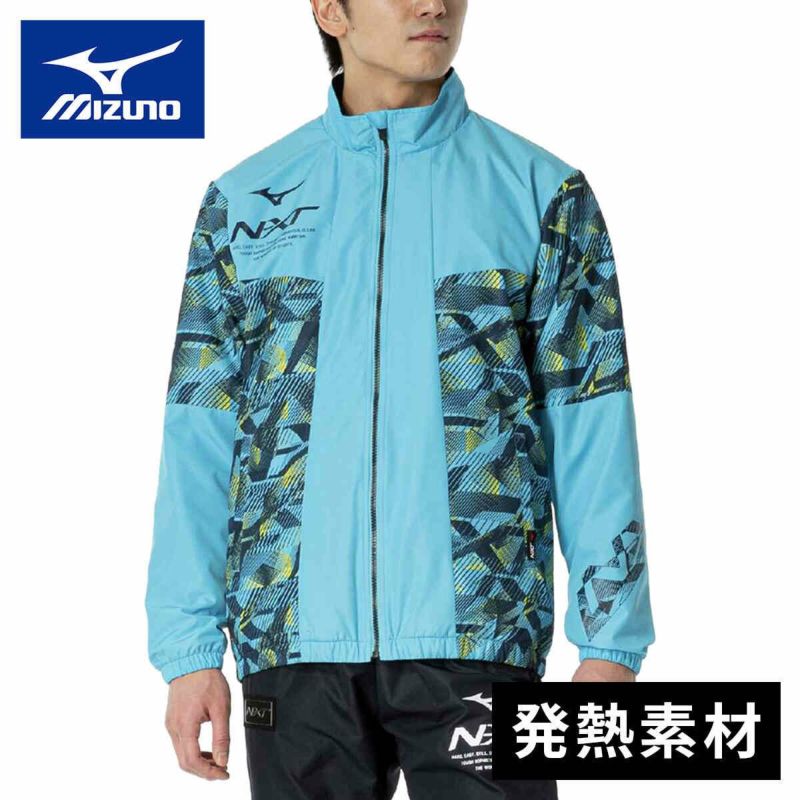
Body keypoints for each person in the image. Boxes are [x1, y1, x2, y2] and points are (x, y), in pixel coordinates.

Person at [145, 1, 656, 797]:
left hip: (480, 630)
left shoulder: (541, 194)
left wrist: (609, 643)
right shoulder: (243, 204)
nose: (434, 5)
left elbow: (591, 422)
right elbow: (200, 435)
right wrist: (188, 652)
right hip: (293, 640)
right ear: (331, 10)